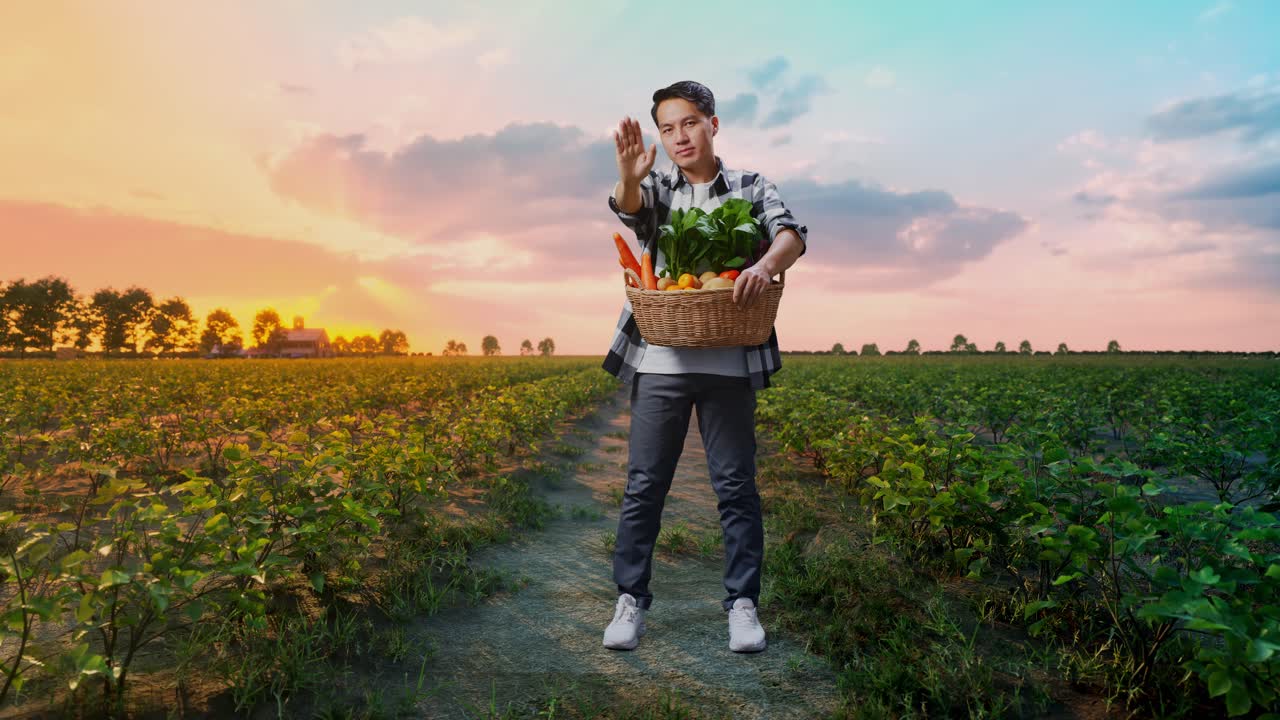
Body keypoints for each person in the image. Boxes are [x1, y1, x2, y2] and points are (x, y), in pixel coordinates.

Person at [600, 80, 808, 652]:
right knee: (644, 485)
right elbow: (631, 209)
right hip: (661, 360)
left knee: (736, 487)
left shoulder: (750, 185)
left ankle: (742, 605)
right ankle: (630, 600)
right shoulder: (657, 187)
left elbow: (791, 234)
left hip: (729, 363)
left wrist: (764, 266)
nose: (679, 137)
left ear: (713, 124)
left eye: (689, 123)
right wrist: (629, 176)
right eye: (667, 129)